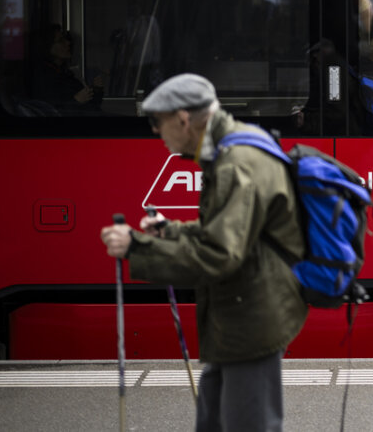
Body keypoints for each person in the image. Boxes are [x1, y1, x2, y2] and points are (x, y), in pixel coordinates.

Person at [99, 73, 307, 430]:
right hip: (239, 313)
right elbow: (237, 231)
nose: (154, 132)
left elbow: (220, 254)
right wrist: (171, 230)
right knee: (214, 422)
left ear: (182, 119)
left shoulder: (235, 163)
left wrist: (138, 247)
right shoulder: (234, 146)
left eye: (156, 122)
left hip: (252, 318)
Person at [30, 24, 104, 114]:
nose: (68, 43)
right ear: (47, 46)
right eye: (61, 41)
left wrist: (96, 90)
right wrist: (76, 101)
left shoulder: (64, 73)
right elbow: (51, 111)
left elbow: (92, 105)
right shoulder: (43, 77)